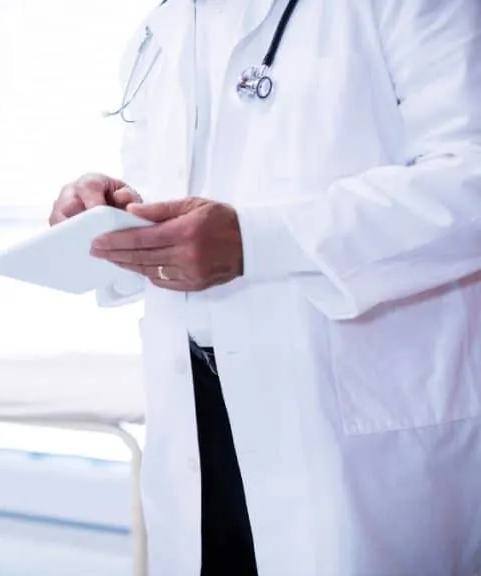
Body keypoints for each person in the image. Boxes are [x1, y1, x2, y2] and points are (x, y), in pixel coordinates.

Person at [51, 1, 480, 574]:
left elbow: (468, 181)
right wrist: (113, 217)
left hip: (350, 427)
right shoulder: (163, 27)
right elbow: (186, 203)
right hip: (196, 420)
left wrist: (258, 241)